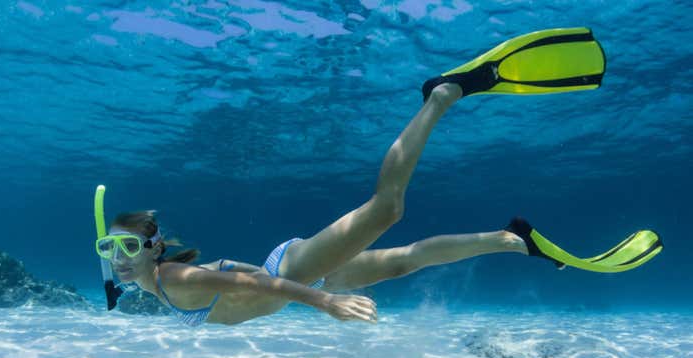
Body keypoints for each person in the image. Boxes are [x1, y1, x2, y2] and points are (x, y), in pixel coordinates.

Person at [95, 28, 660, 327]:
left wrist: (323, 304)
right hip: (294, 273)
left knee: (387, 207)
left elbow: (256, 287)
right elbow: (202, 277)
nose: (118, 257)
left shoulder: (174, 278)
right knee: (404, 259)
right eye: (109, 247)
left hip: (289, 273)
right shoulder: (139, 277)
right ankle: (512, 240)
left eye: (128, 247)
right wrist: (119, 287)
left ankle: (442, 95)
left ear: (156, 247)